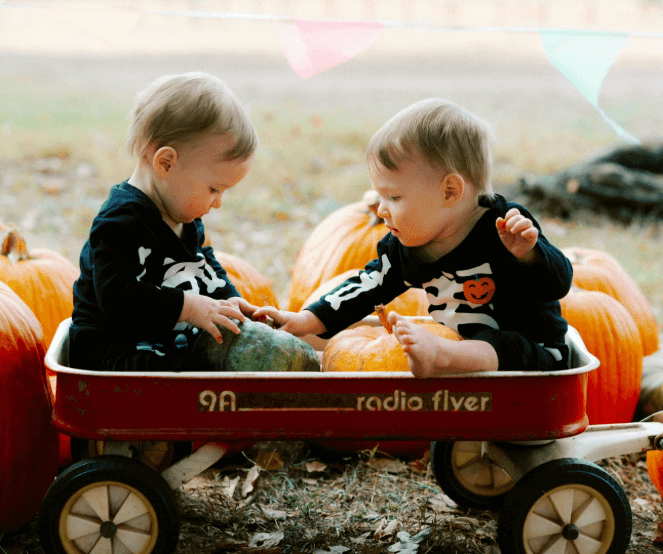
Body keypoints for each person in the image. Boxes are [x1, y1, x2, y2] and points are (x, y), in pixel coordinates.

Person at [255, 98, 573, 377]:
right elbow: (368, 285)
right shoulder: (410, 246)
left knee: (503, 343)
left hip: (535, 357)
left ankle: (442, 356)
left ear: (450, 191)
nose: (380, 209)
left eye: (393, 197)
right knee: (369, 331)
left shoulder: (504, 229)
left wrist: (529, 255)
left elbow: (558, 284)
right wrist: (308, 320)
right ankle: (442, 353)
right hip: (458, 345)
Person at [69, 72, 259, 371]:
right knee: (195, 372)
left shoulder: (182, 212)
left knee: (213, 363)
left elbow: (202, 263)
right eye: (213, 189)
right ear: (166, 163)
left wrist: (228, 301)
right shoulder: (121, 222)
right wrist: (187, 306)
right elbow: (116, 296)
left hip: (157, 343)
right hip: (111, 353)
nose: (218, 202)